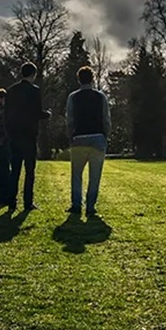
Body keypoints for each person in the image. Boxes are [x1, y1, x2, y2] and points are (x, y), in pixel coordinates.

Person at [3, 61, 49, 210]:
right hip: (29, 135)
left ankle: (11, 201)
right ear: (33, 75)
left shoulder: (11, 90)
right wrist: (47, 114)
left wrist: (9, 131)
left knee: (14, 169)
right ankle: (28, 202)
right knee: (30, 170)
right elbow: (36, 112)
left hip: (15, 135)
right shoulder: (34, 91)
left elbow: (7, 114)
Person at [65, 65, 111, 217]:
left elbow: (70, 119)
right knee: (94, 176)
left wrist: (70, 136)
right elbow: (106, 119)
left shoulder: (73, 97)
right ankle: (90, 206)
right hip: (97, 137)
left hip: (79, 137)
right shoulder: (101, 97)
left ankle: (76, 205)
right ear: (92, 79)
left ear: (79, 80)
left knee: (76, 174)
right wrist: (106, 135)